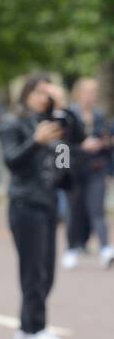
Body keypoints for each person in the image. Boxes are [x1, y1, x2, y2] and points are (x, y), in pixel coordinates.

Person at [0, 74, 72, 339]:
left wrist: (62, 112)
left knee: (48, 271)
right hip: (24, 203)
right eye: (38, 92)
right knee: (33, 271)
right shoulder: (13, 123)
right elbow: (12, 161)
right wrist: (35, 142)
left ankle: (25, 327)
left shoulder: (54, 124)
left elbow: (66, 153)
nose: (43, 98)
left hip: (49, 202)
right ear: (26, 93)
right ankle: (36, 329)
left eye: (48, 93)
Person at [61, 77, 112, 269]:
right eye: (89, 92)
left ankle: (106, 249)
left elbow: (106, 143)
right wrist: (81, 148)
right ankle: (71, 248)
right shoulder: (69, 115)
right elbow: (61, 146)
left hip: (96, 169)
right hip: (74, 171)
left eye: (95, 92)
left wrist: (105, 145)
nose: (92, 96)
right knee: (74, 212)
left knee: (97, 210)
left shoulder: (99, 115)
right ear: (79, 93)